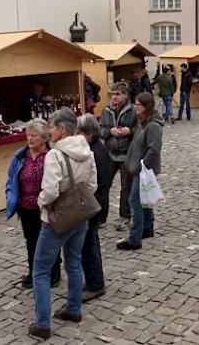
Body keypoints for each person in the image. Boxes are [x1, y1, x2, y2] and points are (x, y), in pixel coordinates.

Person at [28, 107, 97, 340]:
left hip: (57, 220)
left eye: (51, 127)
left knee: (40, 271)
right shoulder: (87, 150)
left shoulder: (54, 155)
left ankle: (42, 324)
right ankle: (74, 309)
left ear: (62, 129)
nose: (49, 131)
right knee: (74, 262)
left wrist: (41, 203)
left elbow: (49, 190)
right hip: (80, 215)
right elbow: (92, 185)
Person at [5, 118, 62, 289]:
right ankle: (33, 272)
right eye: (28, 135)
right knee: (31, 241)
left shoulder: (52, 155)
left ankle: (54, 271)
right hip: (26, 207)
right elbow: (10, 178)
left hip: (48, 206)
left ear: (44, 137)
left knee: (50, 241)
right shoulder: (21, 156)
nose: (29, 139)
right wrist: (10, 196)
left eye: (34, 135)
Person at [117, 92, 164, 250]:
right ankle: (147, 228)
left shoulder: (153, 126)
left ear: (146, 107)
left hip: (143, 171)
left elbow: (154, 149)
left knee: (134, 201)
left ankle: (135, 238)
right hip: (139, 169)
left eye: (138, 105)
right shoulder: (142, 123)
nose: (136, 108)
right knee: (144, 200)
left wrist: (141, 166)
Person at [76, 114, 109, 303]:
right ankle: (93, 280)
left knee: (88, 245)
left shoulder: (94, 151)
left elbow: (96, 184)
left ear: (88, 133)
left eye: (78, 132)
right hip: (95, 204)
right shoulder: (93, 148)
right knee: (89, 244)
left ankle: (96, 284)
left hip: (92, 205)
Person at [99, 82, 137, 231]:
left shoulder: (133, 110)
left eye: (117, 94)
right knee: (103, 185)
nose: (114, 97)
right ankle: (100, 217)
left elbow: (139, 129)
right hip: (109, 153)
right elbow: (100, 129)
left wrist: (130, 131)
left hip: (126, 154)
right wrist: (110, 131)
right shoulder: (106, 110)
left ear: (125, 95)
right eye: (112, 94)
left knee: (125, 187)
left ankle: (125, 217)